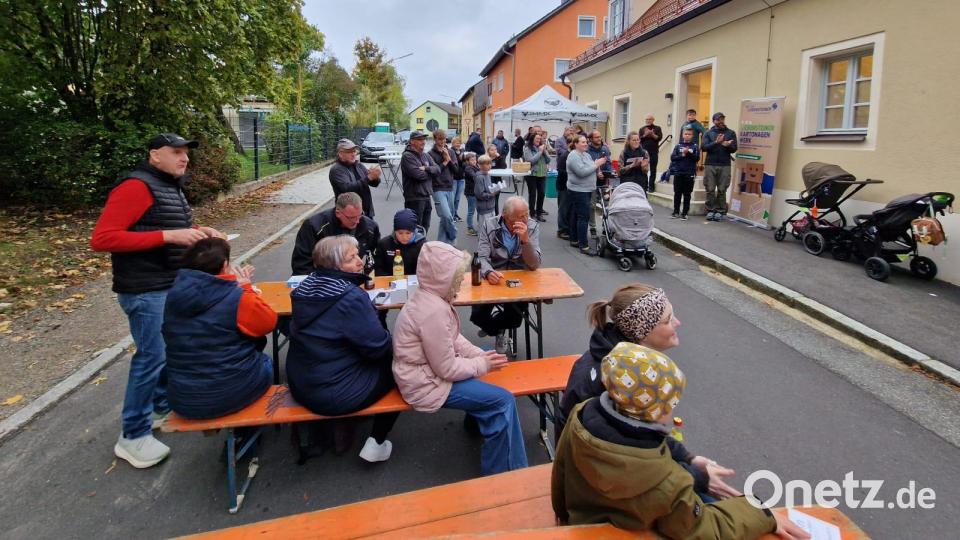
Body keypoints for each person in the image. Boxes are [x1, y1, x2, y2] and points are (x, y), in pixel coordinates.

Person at [552, 342, 809, 540]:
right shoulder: (667, 483)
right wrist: (761, 513)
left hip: (582, 520)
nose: (673, 410)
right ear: (654, 411)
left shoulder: (583, 415)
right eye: (671, 404)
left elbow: (560, 473)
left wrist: (565, 520)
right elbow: (702, 530)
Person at [90, 132, 224, 468]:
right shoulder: (136, 186)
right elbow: (103, 238)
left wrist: (200, 231)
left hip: (165, 282)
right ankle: (132, 436)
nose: (185, 159)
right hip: (145, 289)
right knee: (151, 357)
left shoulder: (167, 186)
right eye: (176, 152)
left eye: (186, 154)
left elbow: (169, 226)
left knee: (165, 351)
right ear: (155, 155)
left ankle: (160, 407)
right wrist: (169, 235)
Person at [392, 241, 527, 475]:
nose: (460, 280)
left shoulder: (429, 297)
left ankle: (477, 420)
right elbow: (447, 369)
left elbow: (452, 339)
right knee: (502, 401)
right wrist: (481, 363)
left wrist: (479, 355)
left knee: (485, 354)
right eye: (456, 276)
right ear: (442, 276)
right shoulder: (432, 311)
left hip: (426, 373)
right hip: (425, 383)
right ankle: (506, 475)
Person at [287, 235, 400, 462]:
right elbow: (378, 348)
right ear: (335, 265)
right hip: (336, 393)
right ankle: (376, 441)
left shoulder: (303, 289)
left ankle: (340, 428)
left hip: (301, 384)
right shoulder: (350, 297)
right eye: (352, 258)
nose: (360, 261)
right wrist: (380, 322)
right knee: (402, 365)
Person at [162, 238, 276, 420]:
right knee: (266, 362)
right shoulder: (238, 297)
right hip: (228, 394)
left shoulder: (174, 295)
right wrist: (245, 287)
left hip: (183, 399)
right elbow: (268, 323)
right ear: (225, 265)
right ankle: (246, 431)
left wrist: (233, 284)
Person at [558, 284, 680, 434]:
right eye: (668, 320)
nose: (677, 323)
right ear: (642, 333)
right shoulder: (621, 381)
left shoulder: (617, 360)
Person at [470, 197, 541, 355]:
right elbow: (481, 257)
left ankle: (497, 329)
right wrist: (488, 272)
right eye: (520, 216)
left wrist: (525, 242)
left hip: (519, 279)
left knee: (515, 319)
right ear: (505, 216)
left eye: (526, 214)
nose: (524, 219)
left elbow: (534, 264)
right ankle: (497, 329)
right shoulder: (490, 225)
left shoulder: (532, 226)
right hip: (495, 276)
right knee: (476, 315)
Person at [292, 192, 380, 276]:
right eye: (352, 217)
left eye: (360, 215)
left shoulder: (370, 227)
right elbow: (301, 264)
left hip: (353, 278)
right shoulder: (314, 226)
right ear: (338, 213)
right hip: (321, 279)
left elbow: (377, 255)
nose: (357, 221)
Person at [568, 134, 607, 255]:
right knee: (583, 217)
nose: (586, 144)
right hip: (579, 190)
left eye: (586, 142)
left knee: (576, 215)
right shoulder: (573, 156)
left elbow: (590, 168)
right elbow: (581, 172)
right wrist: (596, 164)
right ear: (576, 144)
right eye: (583, 142)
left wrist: (597, 170)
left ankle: (574, 240)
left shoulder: (586, 155)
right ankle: (583, 246)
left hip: (586, 189)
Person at [329, 138, 381, 218]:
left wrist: (375, 177)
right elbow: (347, 188)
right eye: (349, 152)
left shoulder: (359, 165)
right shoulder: (337, 170)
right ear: (340, 153)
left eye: (354, 151)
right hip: (348, 215)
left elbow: (374, 183)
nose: (353, 154)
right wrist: (369, 177)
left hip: (366, 212)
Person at [400, 130, 440, 232]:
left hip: (426, 196)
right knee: (415, 229)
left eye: (424, 139)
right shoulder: (407, 156)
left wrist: (426, 168)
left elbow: (438, 169)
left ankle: (421, 247)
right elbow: (418, 175)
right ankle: (415, 248)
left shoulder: (425, 155)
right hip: (414, 198)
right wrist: (431, 173)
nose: (423, 142)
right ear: (412, 141)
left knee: (425, 227)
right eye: (420, 139)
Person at [701, 112, 738, 221]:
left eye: (722, 119)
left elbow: (734, 148)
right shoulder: (708, 133)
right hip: (710, 164)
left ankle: (720, 211)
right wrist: (716, 142)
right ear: (714, 121)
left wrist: (728, 145)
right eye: (718, 119)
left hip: (725, 164)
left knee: (722, 189)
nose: (721, 121)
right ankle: (710, 210)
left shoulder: (731, 133)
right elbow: (703, 147)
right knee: (710, 188)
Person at [427, 129, 461, 245]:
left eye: (444, 139)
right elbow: (434, 172)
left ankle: (441, 244)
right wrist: (445, 162)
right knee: (446, 215)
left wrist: (449, 159)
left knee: (446, 218)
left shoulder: (450, 152)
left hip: (450, 187)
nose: (442, 141)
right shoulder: (430, 154)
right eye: (440, 139)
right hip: (437, 188)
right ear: (435, 139)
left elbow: (456, 171)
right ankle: (454, 235)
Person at [374, 209, 425, 277]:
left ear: (414, 231)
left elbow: (426, 270)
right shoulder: (384, 244)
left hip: (415, 282)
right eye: (400, 233)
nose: (404, 237)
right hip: (390, 282)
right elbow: (378, 268)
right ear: (395, 231)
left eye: (408, 233)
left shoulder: (422, 245)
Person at [586, 130, 614, 234]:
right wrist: (596, 173)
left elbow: (608, 163)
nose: (599, 139)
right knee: (592, 205)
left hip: (604, 181)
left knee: (607, 205)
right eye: (596, 137)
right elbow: (587, 166)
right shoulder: (587, 150)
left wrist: (610, 172)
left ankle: (605, 227)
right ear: (591, 139)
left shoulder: (604, 149)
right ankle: (592, 227)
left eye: (600, 137)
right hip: (591, 182)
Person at [670, 127, 700, 220]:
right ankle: (676, 212)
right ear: (683, 135)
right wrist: (682, 155)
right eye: (686, 134)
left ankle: (684, 213)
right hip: (678, 172)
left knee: (687, 194)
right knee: (677, 193)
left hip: (689, 173)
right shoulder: (678, 146)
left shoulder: (695, 146)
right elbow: (673, 158)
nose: (687, 136)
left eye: (689, 134)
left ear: (692, 136)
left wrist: (688, 153)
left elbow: (697, 159)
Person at [523, 133, 551, 222]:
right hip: (532, 174)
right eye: (537, 139)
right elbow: (531, 161)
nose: (539, 140)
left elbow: (548, 160)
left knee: (542, 194)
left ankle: (539, 213)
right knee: (533, 194)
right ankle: (532, 213)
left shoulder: (542, 148)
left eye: (540, 139)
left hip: (542, 174)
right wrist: (539, 152)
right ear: (532, 139)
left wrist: (544, 151)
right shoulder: (527, 149)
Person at [555, 133, 574, 240]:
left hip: (569, 186)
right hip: (563, 186)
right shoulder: (565, 156)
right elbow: (561, 172)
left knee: (568, 208)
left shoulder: (570, 155)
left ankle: (567, 228)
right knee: (563, 208)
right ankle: (562, 230)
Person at [639, 114, 663, 193]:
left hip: (654, 152)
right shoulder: (642, 129)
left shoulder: (657, 128)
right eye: (647, 119)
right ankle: (644, 186)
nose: (648, 121)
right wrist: (645, 135)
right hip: (644, 153)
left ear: (653, 120)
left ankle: (651, 187)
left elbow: (659, 138)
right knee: (643, 169)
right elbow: (639, 139)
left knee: (653, 169)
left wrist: (652, 134)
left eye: (650, 119)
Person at [474, 154, 500, 220]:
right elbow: (480, 194)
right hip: (484, 208)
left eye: (490, 163)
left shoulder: (487, 175)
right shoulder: (479, 177)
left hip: (490, 206)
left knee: (491, 227)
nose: (489, 166)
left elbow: (488, 188)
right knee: (484, 228)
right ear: (480, 165)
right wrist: (491, 195)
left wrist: (495, 188)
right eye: (487, 164)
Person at [462, 152, 480, 236]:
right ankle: (469, 228)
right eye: (472, 160)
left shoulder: (475, 167)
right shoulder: (468, 168)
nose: (474, 161)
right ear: (467, 161)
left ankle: (479, 226)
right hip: (470, 193)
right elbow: (474, 176)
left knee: (477, 210)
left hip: (475, 192)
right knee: (471, 211)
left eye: (475, 159)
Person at [450, 136, 466, 223]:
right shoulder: (450, 151)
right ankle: (451, 215)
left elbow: (465, 163)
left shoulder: (463, 151)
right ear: (452, 143)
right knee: (452, 198)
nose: (458, 144)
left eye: (459, 142)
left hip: (461, 178)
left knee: (457, 198)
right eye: (456, 143)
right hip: (453, 178)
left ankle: (455, 214)